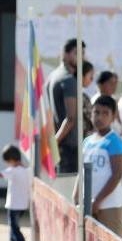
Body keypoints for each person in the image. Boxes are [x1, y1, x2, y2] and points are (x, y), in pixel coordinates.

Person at [50, 60, 95, 241]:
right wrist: (55, 142)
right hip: (75, 157)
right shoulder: (78, 94)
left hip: (86, 170)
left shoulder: (97, 141)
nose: (96, 117)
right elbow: (71, 119)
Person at [76, 95, 122, 236]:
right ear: (91, 113)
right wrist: (76, 195)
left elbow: (117, 174)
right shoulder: (87, 141)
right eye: (96, 112)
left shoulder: (114, 141)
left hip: (109, 204)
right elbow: (82, 171)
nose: (100, 117)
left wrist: (97, 201)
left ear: (113, 116)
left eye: (105, 113)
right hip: (88, 203)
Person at [49, 39, 86, 174]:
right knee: (67, 192)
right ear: (64, 54)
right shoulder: (68, 80)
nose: (81, 58)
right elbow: (71, 119)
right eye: (77, 53)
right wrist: (54, 143)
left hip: (58, 145)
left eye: (83, 54)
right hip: (68, 148)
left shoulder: (52, 76)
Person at [0, 145, 30, 241]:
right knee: (13, 226)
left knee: (14, 227)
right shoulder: (27, 171)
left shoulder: (12, 170)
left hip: (13, 205)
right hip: (23, 205)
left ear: (11, 160)